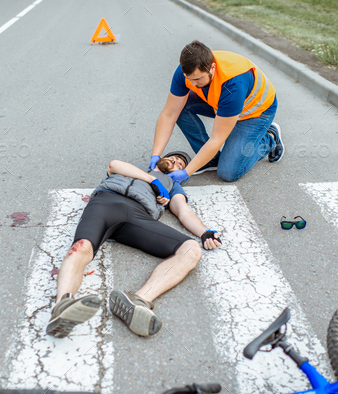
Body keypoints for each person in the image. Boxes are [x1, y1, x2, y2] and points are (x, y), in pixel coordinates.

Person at [45, 152, 222, 338]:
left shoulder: (173, 186)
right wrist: (153, 182)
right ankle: (62, 307)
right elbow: (113, 165)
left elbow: (184, 212)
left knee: (191, 249)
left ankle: (138, 301)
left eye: (180, 164)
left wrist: (204, 232)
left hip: (139, 216)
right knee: (81, 247)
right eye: (172, 157)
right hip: (106, 203)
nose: (174, 161)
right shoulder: (135, 166)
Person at [150, 40, 284, 183]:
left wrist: (186, 172)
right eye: (189, 79)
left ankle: (270, 138)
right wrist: (155, 156)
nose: (192, 84)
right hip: (222, 105)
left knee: (228, 172)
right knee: (179, 106)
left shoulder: (234, 84)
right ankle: (210, 160)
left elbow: (217, 138)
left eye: (197, 79)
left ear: (212, 68)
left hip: (255, 113)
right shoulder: (186, 71)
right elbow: (169, 114)